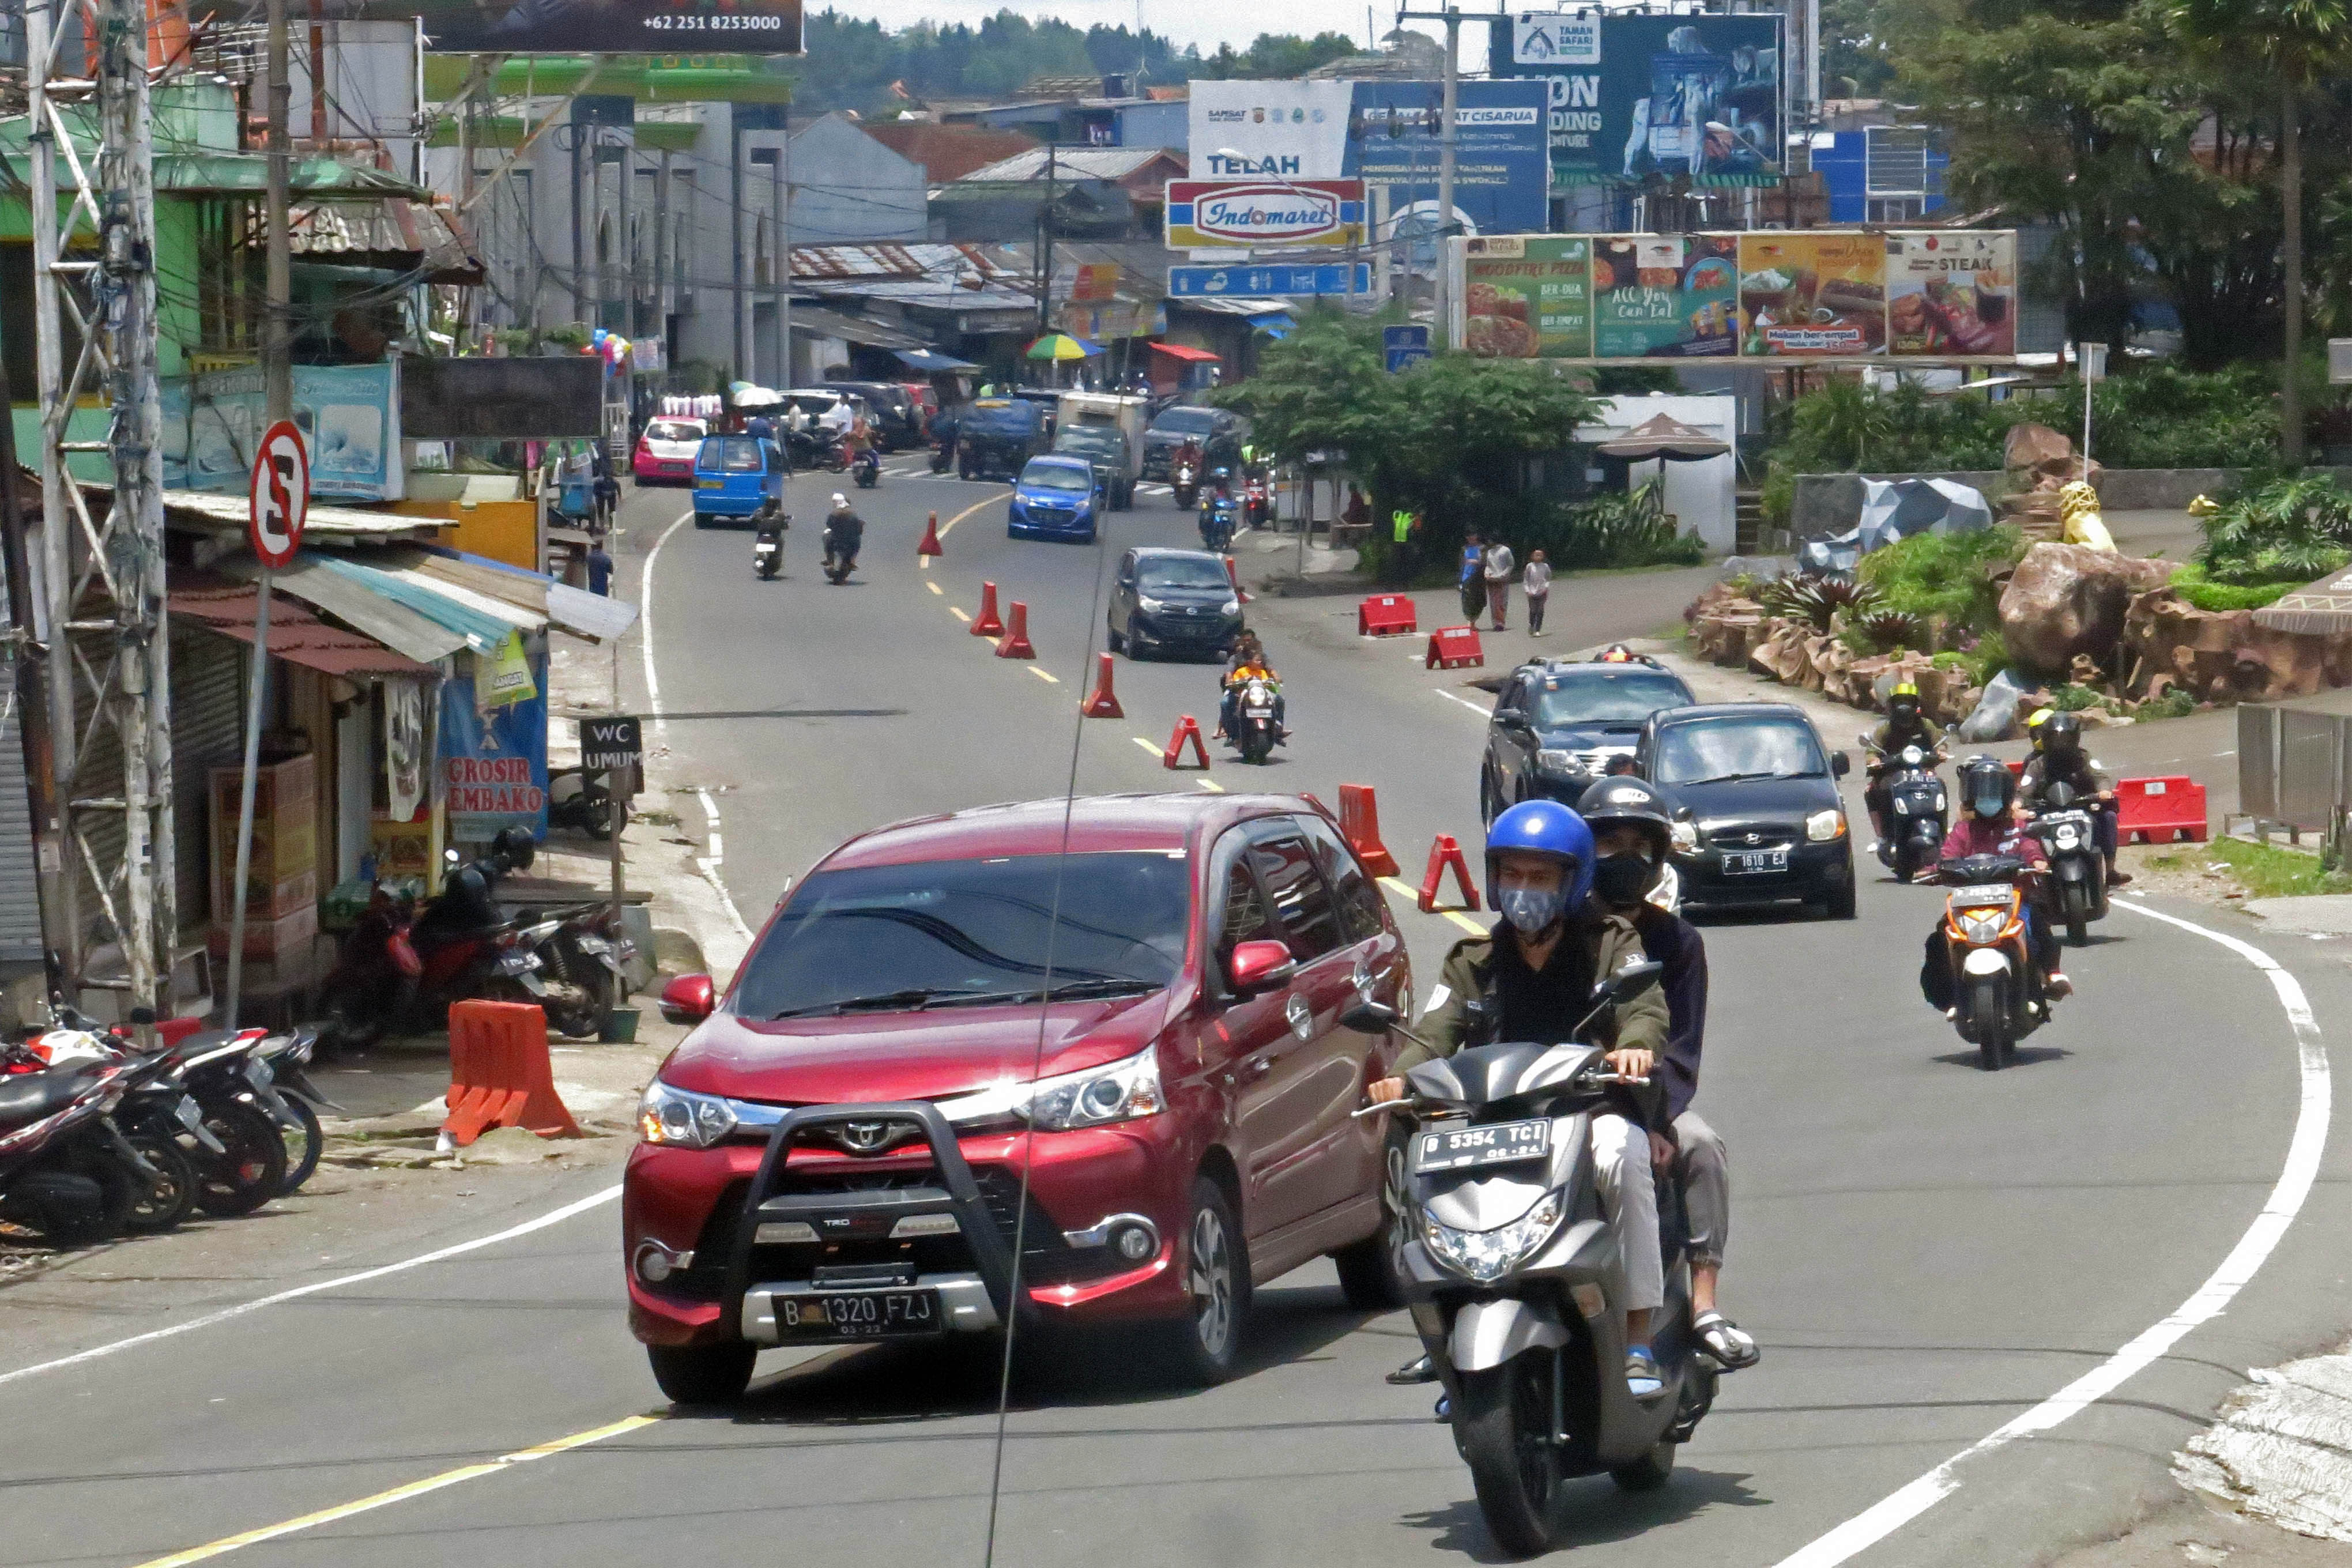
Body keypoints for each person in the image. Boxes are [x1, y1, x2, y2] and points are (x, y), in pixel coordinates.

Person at [1370, 799, 1672, 1399]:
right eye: (1512, 873)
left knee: (1624, 1154)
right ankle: (1444, 1328)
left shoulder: (1612, 943)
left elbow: (1645, 1008)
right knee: (1423, 1167)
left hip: (1585, 1113)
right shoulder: (1473, 960)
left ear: (1573, 881)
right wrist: (1400, 1079)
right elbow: (1434, 1030)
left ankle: (1638, 1337)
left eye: (1540, 876)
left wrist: (1634, 1048)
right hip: (1494, 1122)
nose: (1523, 888)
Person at [1578, 777, 1759, 1370]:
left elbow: (1679, 1052)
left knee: (1702, 1145)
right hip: (1564, 1103)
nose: (1625, 858)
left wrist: (1654, 1120)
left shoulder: (1678, 942)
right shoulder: (1563, 931)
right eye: (1610, 844)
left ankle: (1704, 1305)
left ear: (1658, 856)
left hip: (1650, 1101)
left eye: (1639, 845)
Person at [1924, 756, 2069, 1005]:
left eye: (1994, 794)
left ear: (2006, 796)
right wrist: (1932, 870)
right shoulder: (1963, 830)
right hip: (1967, 903)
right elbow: (1948, 856)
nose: (1988, 800)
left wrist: (2036, 861)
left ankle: (2051, 974)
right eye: (1982, 795)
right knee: (1939, 939)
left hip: (2013, 899)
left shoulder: (2019, 827)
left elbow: (2030, 847)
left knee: (2036, 926)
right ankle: (1950, 999)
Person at [2019, 711, 2131, 887]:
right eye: (2055, 739)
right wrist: (2018, 803)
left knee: (2108, 817)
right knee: (2025, 826)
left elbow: (2100, 776)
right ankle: (2034, 872)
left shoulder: (2083, 757)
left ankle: (2110, 870)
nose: (2060, 744)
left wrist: (2103, 791)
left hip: (2082, 805)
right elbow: (2026, 787)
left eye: (2065, 739)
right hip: (2048, 809)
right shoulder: (2037, 763)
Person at [1863, 681, 1948, 846]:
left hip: (1923, 770)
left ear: (1916, 705)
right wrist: (1874, 760)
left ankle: (1943, 834)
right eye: (1900, 702)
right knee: (1873, 791)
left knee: (1940, 785)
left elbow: (1939, 742)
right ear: (1892, 706)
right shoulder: (1885, 729)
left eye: (1908, 702)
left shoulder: (1926, 725)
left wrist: (1941, 751)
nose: (1904, 706)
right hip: (1892, 772)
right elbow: (1872, 750)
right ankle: (1883, 836)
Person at [1218, 640, 1286, 744]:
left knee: (1279, 700)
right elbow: (1229, 673)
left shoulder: (1262, 661)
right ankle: (1232, 733)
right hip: (1240, 691)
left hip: (1259, 693)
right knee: (1226, 703)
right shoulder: (1236, 660)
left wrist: (1276, 678)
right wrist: (1231, 681)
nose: (1260, 661)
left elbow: (1271, 670)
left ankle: (1278, 729)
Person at [1483, 537, 1517, 631]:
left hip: (1502, 580)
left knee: (1502, 601)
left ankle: (1501, 622)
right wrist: (1487, 573)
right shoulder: (1490, 552)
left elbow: (1511, 564)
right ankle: (1495, 623)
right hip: (1492, 579)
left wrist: (1503, 575)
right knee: (1494, 602)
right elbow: (1488, 565)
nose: (1489, 541)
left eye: (1490, 540)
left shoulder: (1505, 550)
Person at [823, 492, 864, 569]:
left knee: (826, 537)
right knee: (857, 542)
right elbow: (859, 528)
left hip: (836, 538)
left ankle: (830, 561)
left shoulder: (834, 513)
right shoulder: (853, 514)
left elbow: (829, 524)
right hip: (850, 539)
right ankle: (852, 561)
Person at [1458, 533, 1488, 624]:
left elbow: (1485, 562)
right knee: (1467, 600)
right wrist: (1460, 580)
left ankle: (1474, 620)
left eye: (1472, 535)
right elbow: (1461, 564)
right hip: (1467, 577)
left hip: (1479, 578)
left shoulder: (1483, 548)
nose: (1470, 538)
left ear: (1477, 536)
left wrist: (1476, 562)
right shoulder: (1464, 549)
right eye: (1468, 536)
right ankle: (1471, 622)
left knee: (1480, 600)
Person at [1523, 548, 1553, 637]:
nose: (1538, 557)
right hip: (1532, 592)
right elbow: (1526, 579)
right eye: (1536, 555)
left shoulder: (1545, 566)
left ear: (1543, 557)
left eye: (1540, 555)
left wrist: (1546, 587)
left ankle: (1538, 629)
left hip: (1542, 591)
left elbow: (1548, 578)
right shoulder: (1529, 566)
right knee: (1533, 610)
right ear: (1532, 556)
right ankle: (1532, 625)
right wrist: (1527, 590)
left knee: (1540, 611)